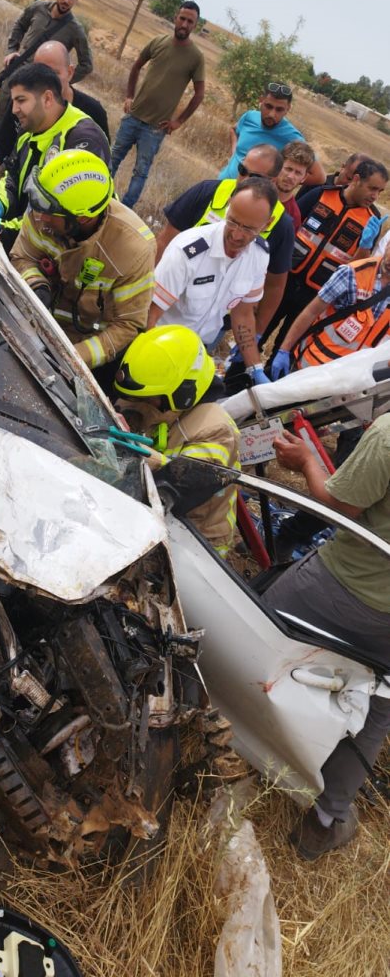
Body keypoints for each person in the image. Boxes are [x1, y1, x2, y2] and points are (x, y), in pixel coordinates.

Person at [264, 418, 390, 859]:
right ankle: (324, 822)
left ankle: (211, 739)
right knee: (375, 714)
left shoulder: (388, 434)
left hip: (340, 588)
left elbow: (337, 503)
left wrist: (307, 462)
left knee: (257, 629)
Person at [10, 149, 155, 388]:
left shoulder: (133, 251)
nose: (40, 215)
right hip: (32, 326)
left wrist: (72, 359)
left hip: (83, 351)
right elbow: (21, 257)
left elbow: (126, 326)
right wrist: (37, 285)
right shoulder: (44, 211)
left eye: (49, 212)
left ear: (83, 219)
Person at [114, 325, 240, 557]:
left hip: (192, 540)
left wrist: (125, 448)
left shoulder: (217, 431)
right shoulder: (149, 390)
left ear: (184, 392)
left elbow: (178, 486)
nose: (137, 402)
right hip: (146, 515)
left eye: (149, 398)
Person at [148, 176, 278, 385]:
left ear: (267, 224)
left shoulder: (260, 256)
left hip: (197, 352)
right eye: (233, 221)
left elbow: (243, 313)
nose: (236, 235)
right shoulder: (189, 250)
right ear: (228, 204)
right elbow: (150, 312)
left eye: (248, 229)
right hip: (159, 343)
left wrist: (255, 369)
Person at [155, 145, 293, 337]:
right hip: (171, 306)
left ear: (272, 181)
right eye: (242, 170)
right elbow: (165, 241)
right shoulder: (208, 191)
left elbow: (275, 285)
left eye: (254, 177)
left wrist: (257, 332)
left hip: (217, 320)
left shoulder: (281, 224)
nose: (244, 179)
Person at [0, 63, 110, 251]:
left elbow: (60, 216)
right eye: (14, 101)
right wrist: (1, 202)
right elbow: (13, 177)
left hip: (71, 253)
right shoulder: (29, 130)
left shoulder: (83, 140)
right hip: (26, 241)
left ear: (47, 99)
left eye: (21, 100)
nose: (14, 109)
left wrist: (5, 230)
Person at [266, 159, 389, 352]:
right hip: (284, 279)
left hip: (316, 295)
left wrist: (365, 246)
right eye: (372, 188)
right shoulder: (321, 194)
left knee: (285, 347)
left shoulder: (371, 221)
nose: (375, 196)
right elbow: (287, 228)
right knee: (260, 330)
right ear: (356, 179)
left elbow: (357, 272)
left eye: (380, 191)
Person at [110, 1, 205, 209]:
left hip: (155, 128)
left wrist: (179, 121)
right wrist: (129, 96)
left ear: (194, 26)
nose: (185, 24)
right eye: (182, 18)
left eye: (190, 21)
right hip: (133, 117)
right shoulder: (157, 42)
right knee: (112, 159)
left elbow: (199, 94)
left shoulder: (196, 57)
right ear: (175, 18)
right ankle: (99, 196)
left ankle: (124, 209)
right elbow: (136, 67)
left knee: (140, 172)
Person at [0, 41, 109, 183]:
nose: (46, 81)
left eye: (54, 73)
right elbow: (2, 143)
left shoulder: (93, 114)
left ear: (70, 72)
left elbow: (99, 172)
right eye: (40, 73)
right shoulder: (23, 103)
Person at [0, 0, 92, 134]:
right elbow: (20, 25)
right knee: (2, 116)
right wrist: (12, 50)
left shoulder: (75, 30)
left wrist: (60, 81)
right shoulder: (38, 8)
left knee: (28, 126)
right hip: (18, 72)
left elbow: (86, 65)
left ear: (76, 0)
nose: (66, 0)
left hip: (40, 87)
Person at [270, 243, 390, 378]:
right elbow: (311, 311)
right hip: (313, 368)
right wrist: (284, 349)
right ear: (387, 245)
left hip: (354, 378)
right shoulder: (352, 274)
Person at [218, 82, 325, 188]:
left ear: (288, 109)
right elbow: (233, 130)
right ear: (261, 100)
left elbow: (319, 177)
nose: (272, 114)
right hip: (219, 185)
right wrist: (234, 153)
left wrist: (282, 180)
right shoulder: (249, 117)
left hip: (248, 199)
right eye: (268, 106)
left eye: (279, 109)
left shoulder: (293, 138)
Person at [275, 140, 315, 231]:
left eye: (298, 173)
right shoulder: (254, 191)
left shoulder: (293, 218)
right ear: (278, 165)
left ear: (304, 177)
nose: (291, 176)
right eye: (288, 169)